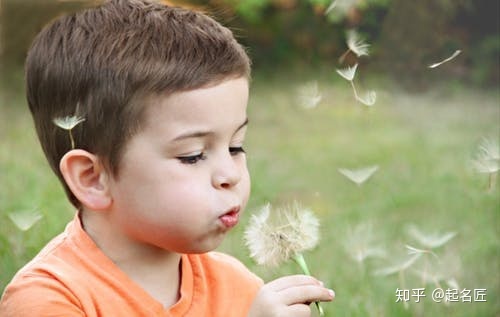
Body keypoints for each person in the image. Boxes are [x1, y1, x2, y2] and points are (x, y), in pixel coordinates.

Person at [0, 0, 335, 316]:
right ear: (92, 178)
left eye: (235, 147)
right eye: (192, 156)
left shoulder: (238, 286)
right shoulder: (49, 299)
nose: (229, 175)